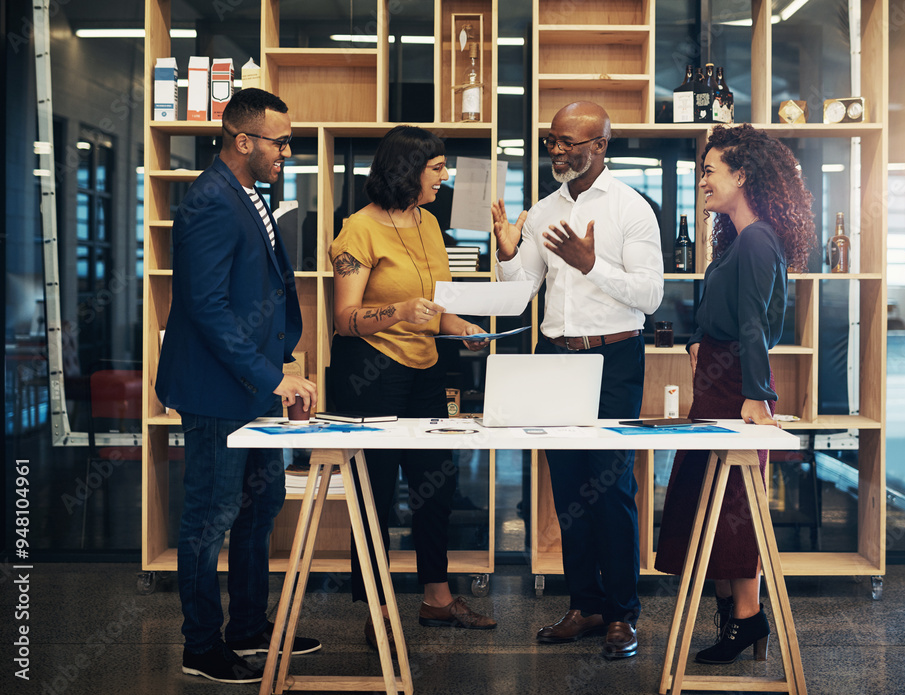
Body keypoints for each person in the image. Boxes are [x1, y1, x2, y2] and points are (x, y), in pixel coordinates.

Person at [155, 88, 321, 684]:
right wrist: (271, 375)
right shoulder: (209, 200)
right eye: (280, 141)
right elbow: (204, 308)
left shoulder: (250, 194)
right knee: (210, 517)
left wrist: (275, 370)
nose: (287, 151)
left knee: (259, 508)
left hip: (251, 388)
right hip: (215, 391)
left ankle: (249, 629)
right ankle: (200, 646)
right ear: (242, 140)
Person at [491, 102, 664, 659]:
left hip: (614, 359)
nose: (558, 151)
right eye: (552, 141)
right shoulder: (542, 211)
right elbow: (522, 290)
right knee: (568, 492)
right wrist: (507, 251)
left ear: (601, 146)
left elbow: (650, 296)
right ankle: (585, 605)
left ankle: (621, 614)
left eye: (570, 142)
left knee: (612, 491)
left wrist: (593, 266)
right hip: (555, 358)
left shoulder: (632, 209)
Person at [326, 125, 496, 653]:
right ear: (407, 170)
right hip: (371, 370)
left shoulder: (427, 222)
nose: (445, 178)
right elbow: (344, 319)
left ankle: (438, 598)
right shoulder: (357, 230)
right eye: (437, 168)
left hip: (426, 369)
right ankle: (377, 609)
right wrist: (398, 312)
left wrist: (461, 328)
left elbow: (434, 308)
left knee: (436, 485)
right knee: (375, 493)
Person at [654, 123, 816, 664]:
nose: (703, 180)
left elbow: (755, 324)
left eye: (709, 170)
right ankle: (730, 615)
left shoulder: (757, 237)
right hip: (716, 379)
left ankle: (746, 620)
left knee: (736, 505)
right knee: (709, 501)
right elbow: (721, 313)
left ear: (741, 175)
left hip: (735, 386)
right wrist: (699, 342)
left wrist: (755, 394)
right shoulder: (737, 238)